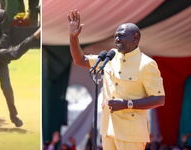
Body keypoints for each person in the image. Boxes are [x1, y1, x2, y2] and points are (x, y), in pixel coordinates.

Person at [68, 10, 165, 150]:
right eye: (115, 36)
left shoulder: (147, 64)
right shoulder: (109, 58)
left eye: (121, 36)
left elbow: (159, 99)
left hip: (131, 134)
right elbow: (80, 60)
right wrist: (73, 38)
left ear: (135, 37)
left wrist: (127, 104)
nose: (117, 39)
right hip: (108, 130)